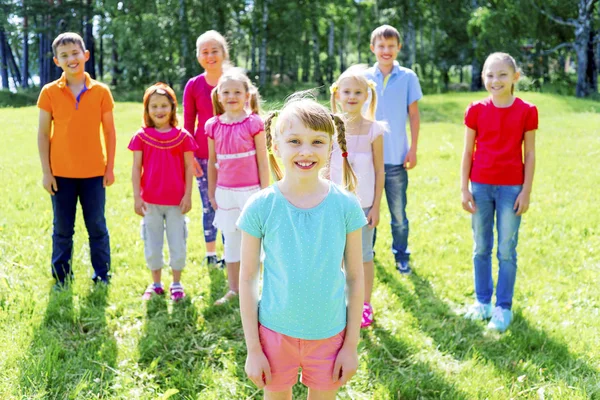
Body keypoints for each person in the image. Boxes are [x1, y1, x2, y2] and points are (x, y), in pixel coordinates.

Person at [238, 96, 366, 399]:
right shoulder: (260, 206)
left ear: (331, 146)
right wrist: (253, 349)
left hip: (329, 334)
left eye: (317, 141)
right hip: (273, 333)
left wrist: (350, 346)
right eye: (295, 141)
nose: (306, 151)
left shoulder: (346, 205)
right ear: (276, 146)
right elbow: (246, 279)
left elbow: (356, 278)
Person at [461, 52, 538, 332]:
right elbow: (467, 151)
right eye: (490, 75)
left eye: (502, 74)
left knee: (506, 249)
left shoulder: (527, 110)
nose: (496, 80)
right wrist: (464, 188)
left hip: (511, 188)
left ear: (515, 77)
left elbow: (529, 154)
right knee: (481, 247)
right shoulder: (476, 110)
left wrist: (526, 191)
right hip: (480, 186)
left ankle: (503, 307)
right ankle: (482, 302)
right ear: (483, 78)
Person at [37, 32, 116, 289]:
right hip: (60, 174)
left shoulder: (101, 91)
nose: (71, 59)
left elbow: (109, 131)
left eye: (75, 53)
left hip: (94, 173)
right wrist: (46, 172)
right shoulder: (49, 93)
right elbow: (43, 133)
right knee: (62, 229)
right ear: (56, 61)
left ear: (86, 55)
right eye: (64, 55)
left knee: (97, 226)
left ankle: (102, 274)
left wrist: (110, 167)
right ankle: (61, 278)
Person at [128, 83, 197, 301]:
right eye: (154, 106)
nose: (159, 110)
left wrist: (188, 195)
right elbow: (135, 168)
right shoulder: (141, 137)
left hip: (177, 202)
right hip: (150, 202)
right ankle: (156, 283)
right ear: (147, 110)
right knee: (152, 243)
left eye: (164, 106)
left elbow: (189, 168)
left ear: (173, 107)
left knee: (178, 243)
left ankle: (176, 283)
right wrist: (137, 197)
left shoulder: (183, 137)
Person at [206, 68, 269, 306]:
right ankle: (234, 289)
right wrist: (212, 192)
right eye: (226, 92)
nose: (231, 96)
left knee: (253, 242)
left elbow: (263, 162)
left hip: (252, 192)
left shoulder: (254, 123)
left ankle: (256, 289)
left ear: (247, 95)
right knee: (230, 241)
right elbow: (213, 163)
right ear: (219, 96)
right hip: (226, 193)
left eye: (237, 91)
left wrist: (265, 193)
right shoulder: (213, 126)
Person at [330, 65, 385, 329]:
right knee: (337, 255)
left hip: (362, 206)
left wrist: (376, 206)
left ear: (367, 96)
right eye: (347, 91)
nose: (352, 96)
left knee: (363, 255)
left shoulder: (374, 130)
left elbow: (379, 170)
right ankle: (339, 301)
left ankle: (364, 303)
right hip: (333, 205)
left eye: (358, 92)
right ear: (338, 94)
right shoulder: (329, 128)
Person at [365, 25, 422, 275]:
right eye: (381, 46)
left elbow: (414, 114)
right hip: (368, 160)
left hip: (397, 159)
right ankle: (369, 253)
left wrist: (414, 149)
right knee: (368, 210)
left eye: (391, 46)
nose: (386, 51)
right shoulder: (364, 78)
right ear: (372, 48)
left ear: (399, 48)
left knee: (398, 214)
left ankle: (401, 256)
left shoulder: (408, 77)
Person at [183, 30, 229, 267]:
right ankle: (212, 255)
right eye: (205, 52)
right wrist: (189, 158)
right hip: (202, 156)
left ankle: (231, 253)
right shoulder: (193, 85)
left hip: (233, 155)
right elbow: (188, 124)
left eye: (215, 51)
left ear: (224, 53)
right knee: (209, 204)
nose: (210, 56)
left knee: (230, 204)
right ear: (198, 56)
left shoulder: (234, 81)